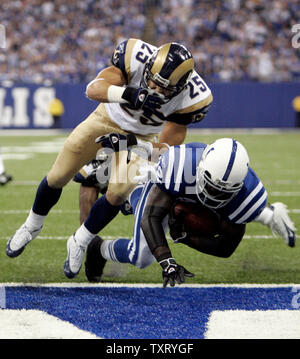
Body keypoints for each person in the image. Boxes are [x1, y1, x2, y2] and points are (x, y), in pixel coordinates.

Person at [6, 39, 213, 275]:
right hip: (105, 119)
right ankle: (32, 225)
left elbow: (167, 145)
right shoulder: (134, 55)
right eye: (153, 81)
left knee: (117, 193)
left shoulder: (195, 98)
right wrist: (131, 94)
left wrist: (145, 154)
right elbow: (93, 88)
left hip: (141, 138)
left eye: (164, 88)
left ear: (180, 87)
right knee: (58, 175)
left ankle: (80, 240)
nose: (155, 88)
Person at [83, 138, 296, 287]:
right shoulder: (180, 165)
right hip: (169, 189)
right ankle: (100, 243)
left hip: (193, 196)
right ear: (201, 169)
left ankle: (267, 214)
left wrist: (186, 238)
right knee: (141, 256)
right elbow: (151, 217)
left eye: (222, 192)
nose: (213, 196)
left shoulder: (249, 197)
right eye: (211, 187)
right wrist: (166, 260)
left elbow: (225, 247)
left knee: (230, 213)